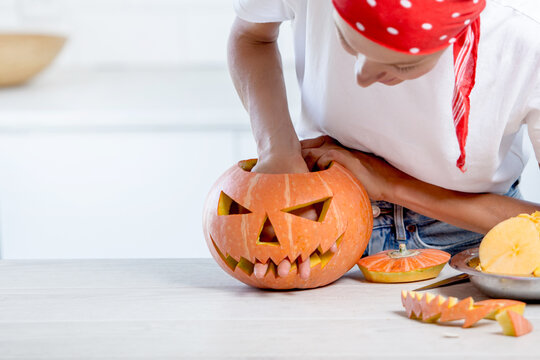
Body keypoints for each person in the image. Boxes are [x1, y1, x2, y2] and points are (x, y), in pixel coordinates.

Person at [227, 0, 540, 280]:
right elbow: (252, 36)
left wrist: (392, 185)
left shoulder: (528, 33)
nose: (362, 76)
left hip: (471, 238)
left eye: (403, 65)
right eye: (348, 44)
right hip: (318, 213)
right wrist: (279, 157)